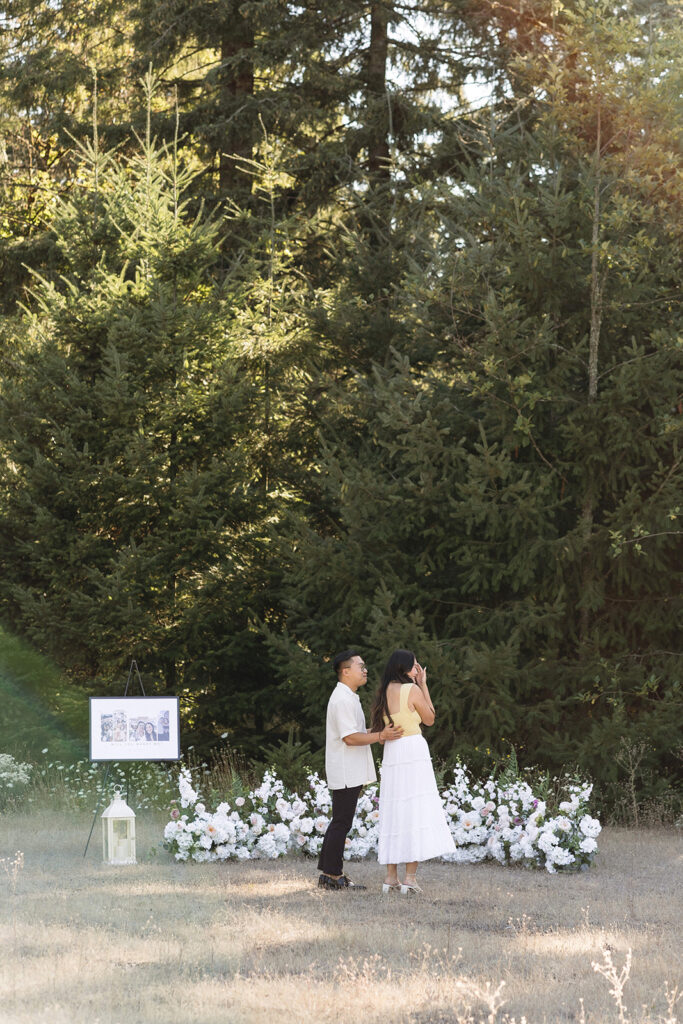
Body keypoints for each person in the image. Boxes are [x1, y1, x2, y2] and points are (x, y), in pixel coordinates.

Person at [317, 649, 403, 891]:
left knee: (340, 821)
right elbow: (349, 738)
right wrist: (380, 736)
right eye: (360, 667)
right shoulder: (342, 699)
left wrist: (378, 735)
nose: (365, 670)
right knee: (342, 822)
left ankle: (328, 874)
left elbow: (355, 733)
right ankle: (332, 876)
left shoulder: (348, 696)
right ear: (346, 672)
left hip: (348, 768)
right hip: (345, 770)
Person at [371, 649, 455, 894]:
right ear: (405, 668)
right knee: (414, 809)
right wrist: (423, 685)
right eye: (415, 666)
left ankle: (390, 877)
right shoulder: (412, 690)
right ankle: (409, 878)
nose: (418, 669)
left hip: (393, 752)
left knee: (394, 808)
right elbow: (430, 718)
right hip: (413, 751)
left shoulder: (383, 693)